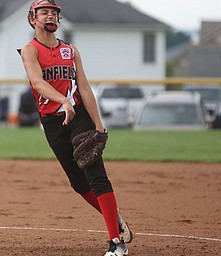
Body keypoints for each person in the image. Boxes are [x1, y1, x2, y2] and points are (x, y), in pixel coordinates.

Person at [19, 1, 132, 255]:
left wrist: (99, 124)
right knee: (79, 184)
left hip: (79, 115)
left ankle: (117, 243)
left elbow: (84, 88)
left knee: (96, 174)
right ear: (33, 19)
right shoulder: (30, 50)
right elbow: (37, 83)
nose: (51, 15)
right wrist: (62, 101)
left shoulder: (71, 51)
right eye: (45, 12)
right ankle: (115, 218)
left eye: (55, 12)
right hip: (52, 121)